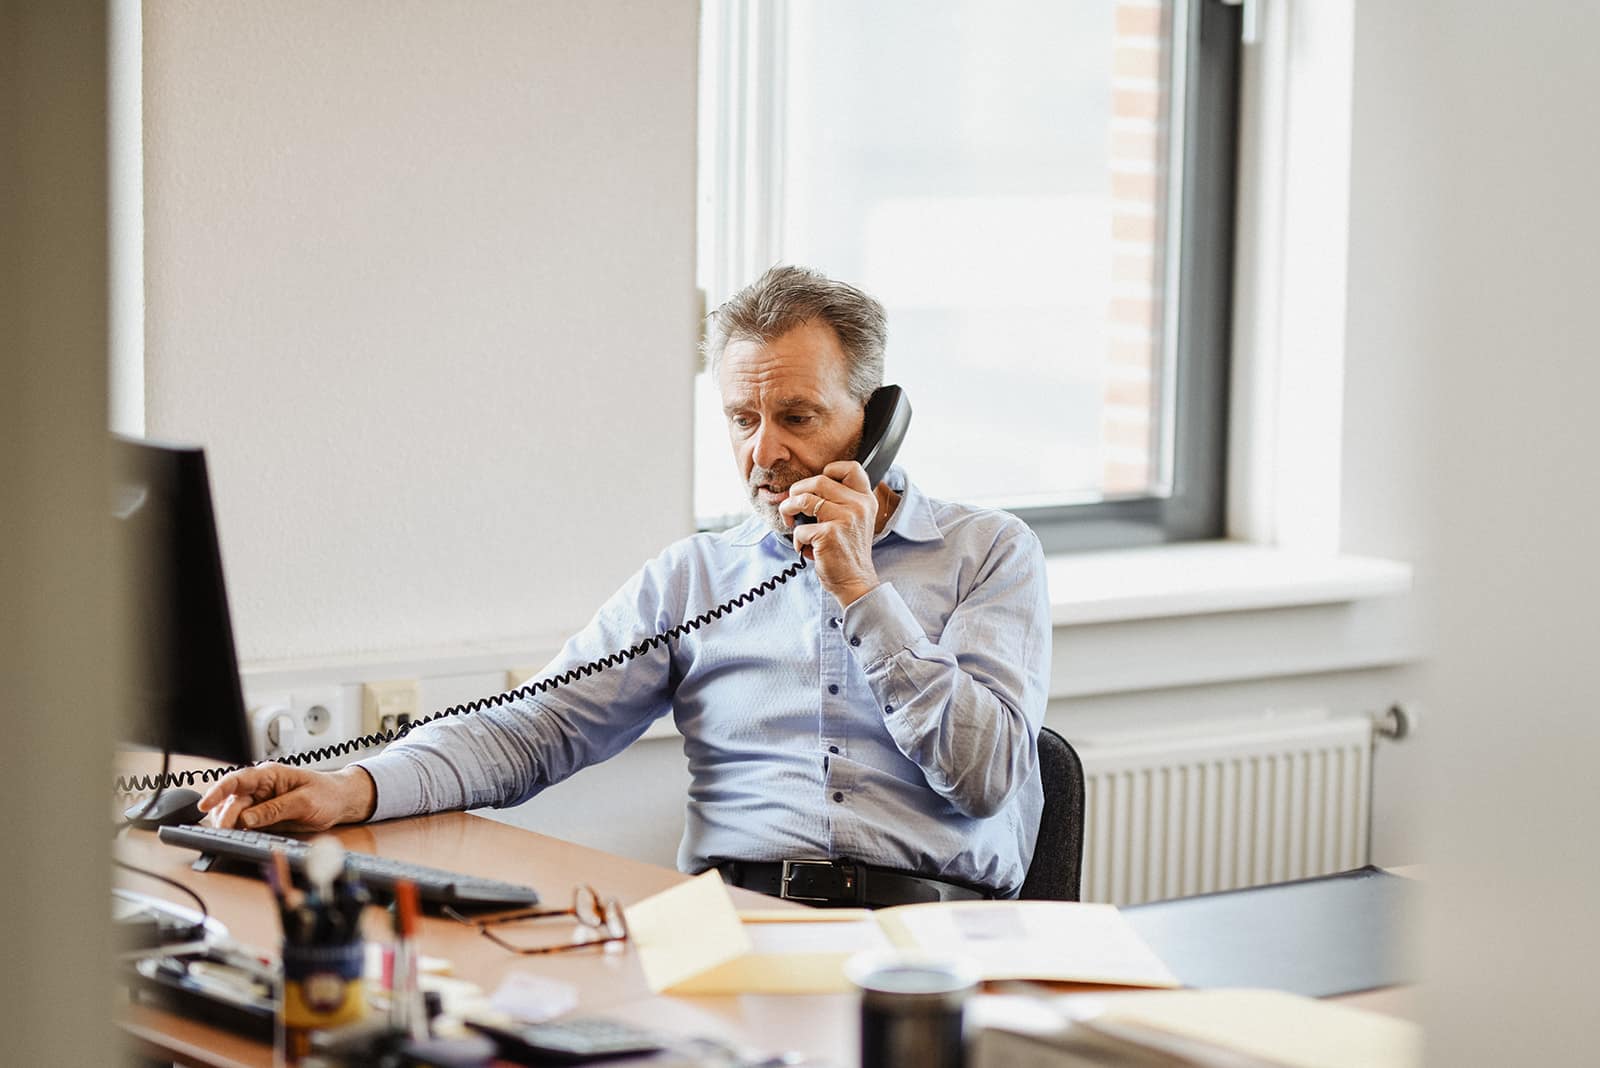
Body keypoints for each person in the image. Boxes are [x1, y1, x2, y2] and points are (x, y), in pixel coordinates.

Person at [200, 265, 1052, 905]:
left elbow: (984, 776)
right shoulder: (696, 577)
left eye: (797, 418)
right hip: (737, 923)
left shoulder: (987, 553)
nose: (763, 454)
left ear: (875, 419)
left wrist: (863, 594)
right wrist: (354, 787)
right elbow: (535, 728)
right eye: (741, 420)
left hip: (934, 939)